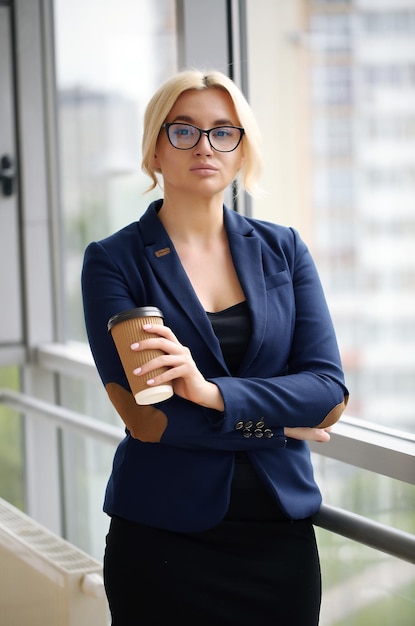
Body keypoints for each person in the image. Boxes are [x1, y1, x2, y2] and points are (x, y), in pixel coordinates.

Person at [81, 69, 349, 626]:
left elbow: (326, 396)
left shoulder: (284, 249)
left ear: (240, 149)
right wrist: (274, 425)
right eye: (184, 130)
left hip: (279, 541)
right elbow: (146, 419)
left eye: (224, 132)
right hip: (162, 541)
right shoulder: (114, 261)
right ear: (156, 149)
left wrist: (207, 393)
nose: (205, 146)